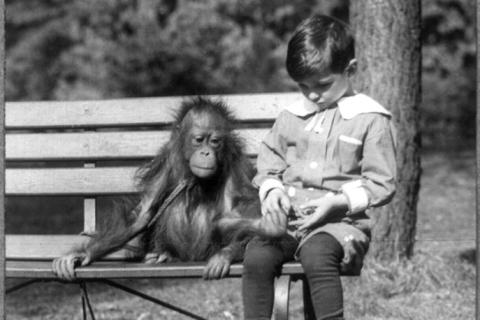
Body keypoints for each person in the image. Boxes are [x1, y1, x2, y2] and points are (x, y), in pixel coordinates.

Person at [242, 14, 397, 320]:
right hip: (289, 222)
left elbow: (382, 183)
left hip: (339, 224)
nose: (312, 94)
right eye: (303, 87)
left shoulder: (369, 118)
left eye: (322, 85)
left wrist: (339, 202)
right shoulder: (291, 116)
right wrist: (271, 191)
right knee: (257, 256)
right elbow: (269, 161)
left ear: (350, 70)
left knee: (317, 256)